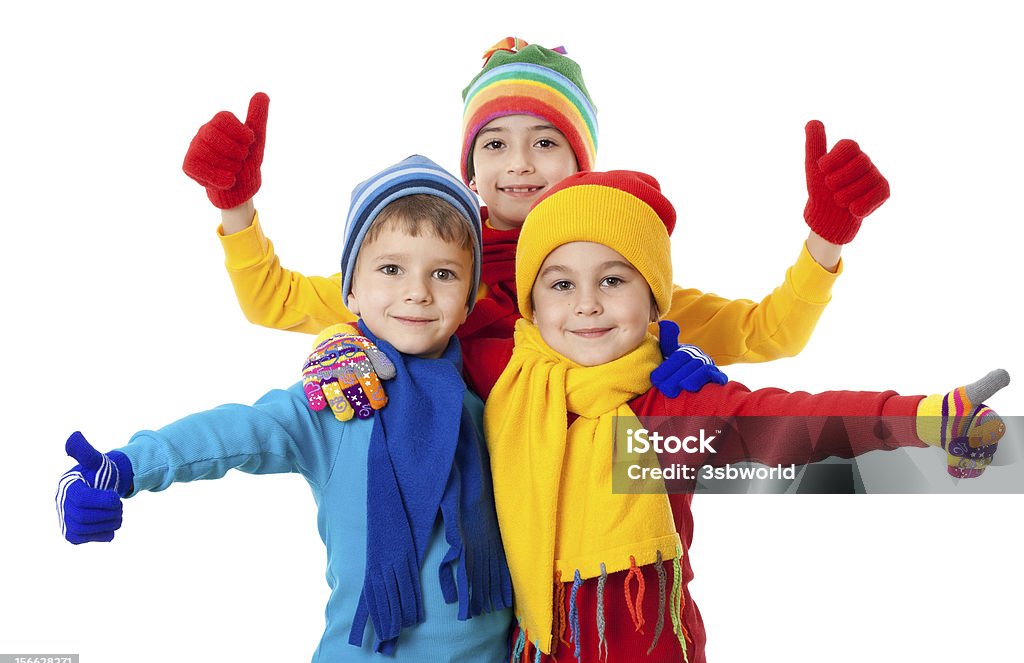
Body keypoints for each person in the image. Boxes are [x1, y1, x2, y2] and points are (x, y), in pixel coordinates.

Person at [474, 170, 1007, 663]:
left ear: (656, 301)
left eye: (613, 280)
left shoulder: (672, 407)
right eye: (561, 284)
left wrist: (924, 417)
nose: (587, 304)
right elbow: (414, 344)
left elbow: (795, 420)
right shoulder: (506, 383)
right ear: (532, 306)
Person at [181, 38, 889, 414]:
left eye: (545, 141)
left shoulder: (611, 271)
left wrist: (825, 239)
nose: (519, 163)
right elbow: (273, 300)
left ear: (581, 158)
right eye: (494, 142)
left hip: (582, 543)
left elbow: (769, 333)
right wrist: (234, 208)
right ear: (469, 166)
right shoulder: (434, 269)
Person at [54, 156, 515, 663]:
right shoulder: (336, 398)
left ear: (468, 303)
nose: (418, 291)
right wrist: (125, 467)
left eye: (444, 273)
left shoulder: (498, 397)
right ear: (350, 292)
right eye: (391, 269)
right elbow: (232, 432)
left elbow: (607, 445)